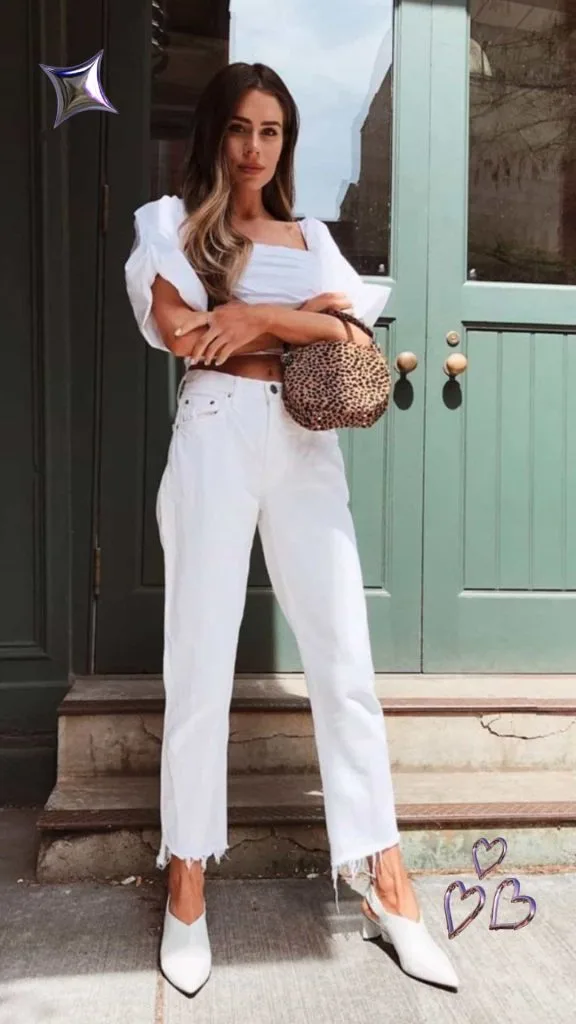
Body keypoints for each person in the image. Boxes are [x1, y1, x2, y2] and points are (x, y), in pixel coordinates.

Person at [124, 61, 458, 999]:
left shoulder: (315, 239)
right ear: (215, 134)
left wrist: (258, 312)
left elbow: (353, 340)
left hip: (306, 450)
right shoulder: (169, 224)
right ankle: (186, 879)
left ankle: (386, 882)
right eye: (239, 128)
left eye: (271, 131)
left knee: (344, 660)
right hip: (217, 436)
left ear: (286, 142)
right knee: (198, 657)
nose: (254, 148)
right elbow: (186, 336)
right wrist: (299, 325)